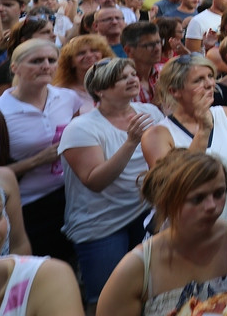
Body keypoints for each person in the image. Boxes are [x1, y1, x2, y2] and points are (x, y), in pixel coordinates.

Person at [96, 150, 227, 316]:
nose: (212, 205)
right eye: (198, 198)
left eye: (219, 193)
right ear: (166, 202)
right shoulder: (136, 268)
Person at [57, 59, 162, 314]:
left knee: (151, 290)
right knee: (106, 299)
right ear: (100, 90)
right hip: (101, 224)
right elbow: (95, 181)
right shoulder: (81, 128)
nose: (132, 79)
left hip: (145, 215)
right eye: (122, 77)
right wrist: (130, 142)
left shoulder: (151, 112)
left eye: (133, 74)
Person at [140, 54, 227, 221]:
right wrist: (204, 130)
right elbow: (176, 184)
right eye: (198, 80)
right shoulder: (158, 134)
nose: (209, 84)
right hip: (183, 233)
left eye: (210, 77)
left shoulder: (226, 115)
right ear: (175, 91)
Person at [0, 39, 82, 266]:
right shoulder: (2, 110)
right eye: (36, 61)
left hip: (70, 197)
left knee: (70, 264)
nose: (45, 66)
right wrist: (37, 160)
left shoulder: (68, 98)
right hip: (27, 207)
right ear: (14, 67)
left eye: (51, 60)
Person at [53, 36, 112, 113]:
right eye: (81, 53)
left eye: (94, 50)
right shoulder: (60, 91)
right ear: (71, 62)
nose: (89, 55)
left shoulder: (116, 85)